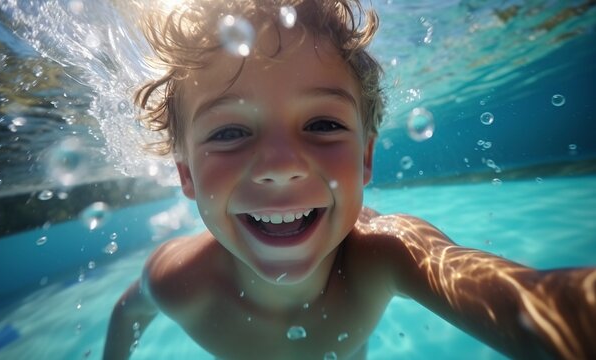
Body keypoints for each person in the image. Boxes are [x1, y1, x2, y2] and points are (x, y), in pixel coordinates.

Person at [104, 1, 596, 359]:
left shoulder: (382, 256)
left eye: (322, 125)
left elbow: (524, 307)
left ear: (365, 157)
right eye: (230, 131)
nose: (280, 165)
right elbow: (126, 316)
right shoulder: (178, 281)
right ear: (186, 174)